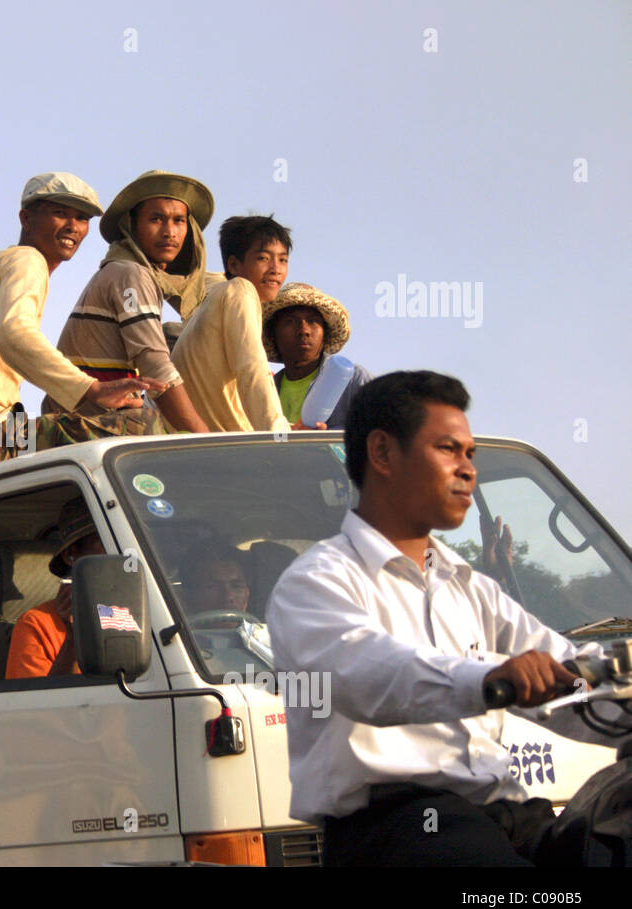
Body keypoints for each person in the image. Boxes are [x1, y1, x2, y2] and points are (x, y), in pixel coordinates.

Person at [266, 371, 629, 866]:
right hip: (401, 828)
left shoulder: (473, 589)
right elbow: (369, 674)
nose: (467, 470)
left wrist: (615, 694)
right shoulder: (315, 583)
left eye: (471, 454)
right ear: (383, 453)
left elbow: (567, 670)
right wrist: (492, 676)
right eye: (448, 449)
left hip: (510, 816)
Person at [0, 172, 162, 474]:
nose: (73, 227)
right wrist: (92, 389)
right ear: (26, 220)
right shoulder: (27, 260)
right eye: (60, 213)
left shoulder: (0, 264)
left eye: (82, 218)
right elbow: (16, 335)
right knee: (141, 423)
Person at [44, 169, 212, 433]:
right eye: (156, 219)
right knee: (151, 426)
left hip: (86, 417)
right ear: (132, 225)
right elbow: (155, 366)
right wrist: (203, 437)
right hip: (81, 422)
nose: (170, 232)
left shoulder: (134, 272)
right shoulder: (130, 274)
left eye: (179, 221)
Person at [171, 216, 293, 433]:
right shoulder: (240, 290)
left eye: (283, 260)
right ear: (235, 265)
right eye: (264, 258)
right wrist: (280, 435)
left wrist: (289, 428)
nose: (276, 269)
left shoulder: (216, 297)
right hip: (225, 450)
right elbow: (252, 369)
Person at [4, 499, 104, 679]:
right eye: (105, 541)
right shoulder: (36, 624)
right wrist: (74, 640)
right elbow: (41, 704)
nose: (119, 552)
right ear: (72, 554)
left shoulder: (147, 610)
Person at [262, 282, 372, 429]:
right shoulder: (265, 392)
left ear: (324, 334)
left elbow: (387, 435)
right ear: (273, 335)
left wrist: (327, 444)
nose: (304, 330)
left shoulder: (352, 380)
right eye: (290, 322)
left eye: (313, 321)